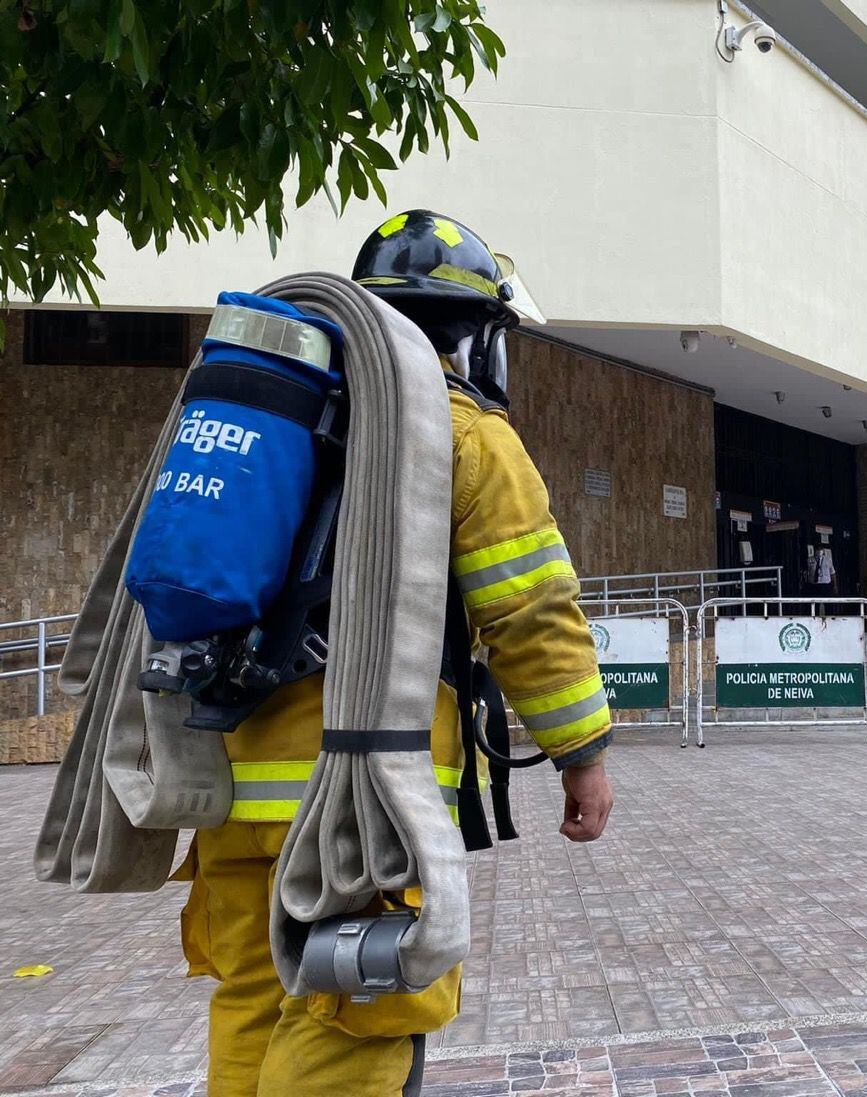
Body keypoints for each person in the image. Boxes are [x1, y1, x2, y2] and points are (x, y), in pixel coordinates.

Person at [177, 211, 615, 1097]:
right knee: (352, 1016)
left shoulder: (287, 418)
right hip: (363, 802)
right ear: (474, 337)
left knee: (254, 1005)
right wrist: (584, 756)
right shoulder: (462, 432)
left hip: (235, 789)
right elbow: (531, 609)